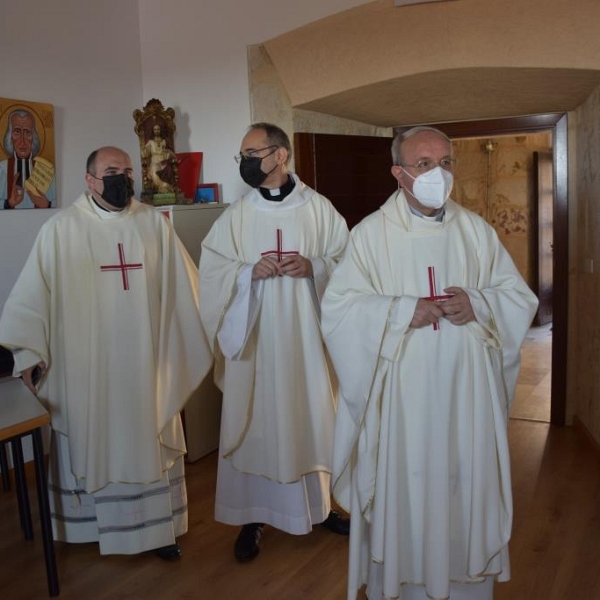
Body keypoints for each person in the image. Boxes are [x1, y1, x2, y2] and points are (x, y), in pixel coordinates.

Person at [321, 126, 539, 600]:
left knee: (463, 487)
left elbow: (518, 297)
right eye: (424, 164)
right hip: (404, 403)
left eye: (445, 163)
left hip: (467, 398)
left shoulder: (476, 231)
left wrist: (480, 303)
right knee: (409, 488)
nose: (438, 173)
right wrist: (401, 311)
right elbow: (338, 309)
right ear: (398, 173)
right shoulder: (370, 236)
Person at [0, 146, 212, 559]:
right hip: (87, 367)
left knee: (145, 430)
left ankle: (157, 531)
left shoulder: (155, 225)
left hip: (145, 364)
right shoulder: (61, 230)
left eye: (128, 170)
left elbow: (188, 290)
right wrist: (29, 351)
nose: (123, 178)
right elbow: (30, 298)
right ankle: (89, 527)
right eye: (112, 170)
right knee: (94, 429)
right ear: (90, 179)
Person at [198, 122, 350, 562]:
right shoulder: (236, 216)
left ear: (280, 155)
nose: (245, 161)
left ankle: (320, 509)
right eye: (242, 154)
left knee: (309, 418)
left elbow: (350, 263)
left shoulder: (320, 210)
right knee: (259, 424)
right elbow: (212, 272)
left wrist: (316, 265)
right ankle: (252, 516)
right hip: (256, 345)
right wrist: (247, 273)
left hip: (306, 344)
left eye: (252, 152)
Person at [0, 108, 55, 209]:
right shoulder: (2, 169)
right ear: (10, 136)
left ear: (33, 137)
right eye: (17, 132)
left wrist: (47, 204)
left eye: (27, 133)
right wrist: (9, 203)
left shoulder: (46, 170)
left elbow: (60, 201)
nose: (22, 141)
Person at [141, 123, 176, 193]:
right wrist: (144, 148)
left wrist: (167, 151)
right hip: (154, 161)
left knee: (169, 169)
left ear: (160, 130)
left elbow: (171, 153)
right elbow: (145, 154)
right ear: (153, 131)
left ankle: (168, 188)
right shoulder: (150, 142)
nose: (157, 131)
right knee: (153, 170)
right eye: (155, 129)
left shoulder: (164, 141)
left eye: (158, 129)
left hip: (163, 161)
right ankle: (163, 186)